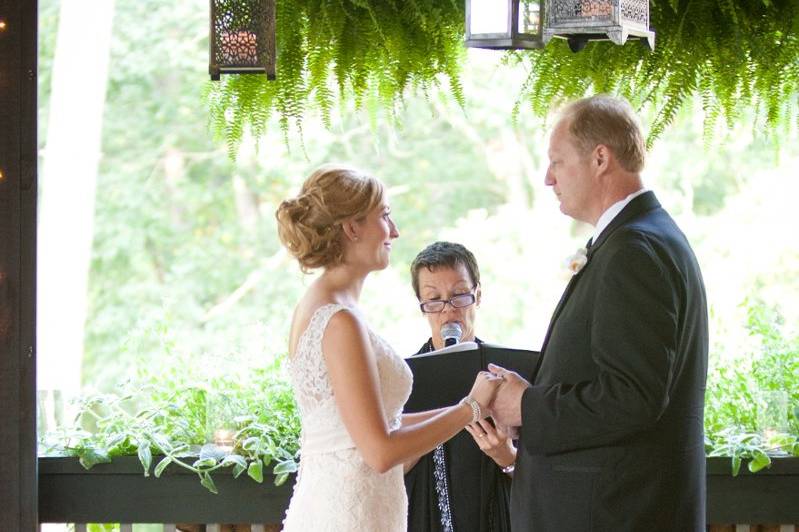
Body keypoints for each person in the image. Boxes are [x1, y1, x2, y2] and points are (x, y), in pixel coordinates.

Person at [489, 95, 709, 531]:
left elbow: (632, 398)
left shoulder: (634, 251)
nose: (548, 178)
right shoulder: (642, 238)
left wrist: (527, 407)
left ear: (600, 158)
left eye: (557, 161)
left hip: (617, 514)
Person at [275, 164, 502, 532]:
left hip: (341, 502)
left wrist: (478, 409)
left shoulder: (319, 306)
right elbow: (381, 451)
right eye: (384, 216)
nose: (394, 231)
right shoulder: (339, 321)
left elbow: (368, 430)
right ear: (352, 227)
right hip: (352, 514)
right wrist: (470, 407)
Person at [404, 241, 515, 532]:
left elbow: (546, 474)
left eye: (459, 296)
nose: (448, 311)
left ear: (477, 295)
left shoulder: (508, 373)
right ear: (421, 306)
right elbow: (383, 467)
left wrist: (507, 457)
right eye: (434, 300)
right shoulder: (403, 379)